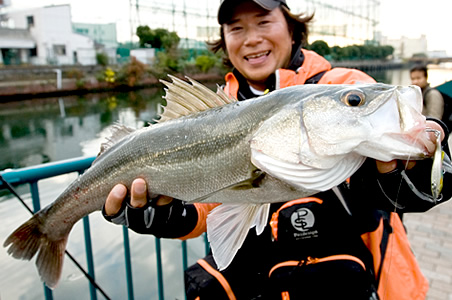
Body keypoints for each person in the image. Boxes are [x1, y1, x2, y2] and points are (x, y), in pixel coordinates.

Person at [103, 1, 451, 299]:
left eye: (264, 22)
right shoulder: (211, 113)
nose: (252, 39)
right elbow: (208, 210)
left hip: (361, 281)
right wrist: (163, 214)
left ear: (291, 27)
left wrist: (415, 171)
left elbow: (417, 185)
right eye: (236, 28)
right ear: (224, 42)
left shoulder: (340, 85)